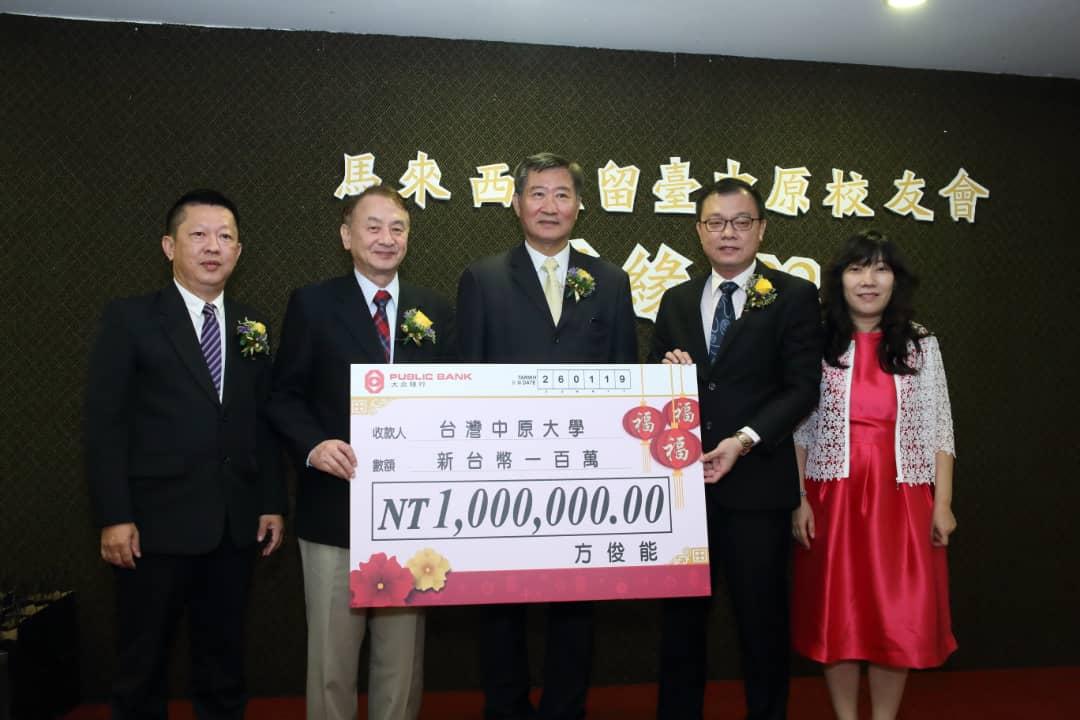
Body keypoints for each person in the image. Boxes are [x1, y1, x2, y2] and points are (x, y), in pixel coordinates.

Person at [85, 189, 286, 719]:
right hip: (153, 527)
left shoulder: (253, 325)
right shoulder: (131, 320)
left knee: (223, 666)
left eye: (225, 237)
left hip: (233, 524)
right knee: (142, 665)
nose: (212, 247)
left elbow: (261, 423)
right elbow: (105, 425)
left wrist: (270, 501)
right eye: (199, 235)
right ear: (170, 245)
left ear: (240, 251)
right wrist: (115, 516)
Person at [456, 152, 638, 720]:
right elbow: (466, 377)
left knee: (575, 606)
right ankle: (506, 708)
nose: (549, 206)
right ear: (516, 204)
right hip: (503, 470)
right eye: (538, 193)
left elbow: (624, 375)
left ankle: (566, 709)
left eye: (562, 194)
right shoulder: (482, 277)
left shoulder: (609, 281)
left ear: (580, 206)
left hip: (582, 473)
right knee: (501, 605)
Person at [267, 183, 455, 720]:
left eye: (397, 228)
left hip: (412, 517)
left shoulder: (433, 309)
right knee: (332, 658)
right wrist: (313, 446)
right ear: (347, 235)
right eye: (372, 227)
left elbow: (457, 400)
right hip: (334, 508)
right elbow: (283, 396)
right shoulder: (313, 303)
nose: (386, 238)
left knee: (402, 660)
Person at [649, 178, 823, 720]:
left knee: (762, 625)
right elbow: (654, 388)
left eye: (741, 222)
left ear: (762, 229)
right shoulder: (676, 300)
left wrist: (743, 439)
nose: (729, 233)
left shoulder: (793, 295)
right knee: (680, 628)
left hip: (758, 486)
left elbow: (802, 388)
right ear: (699, 231)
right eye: (716, 223)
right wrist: (663, 377)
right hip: (683, 495)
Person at [791, 230, 957, 720]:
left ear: (895, 280)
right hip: (831, 497)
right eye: (857, 268)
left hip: (903, 496)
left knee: (895, 616)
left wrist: (943, 503)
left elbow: (940, 427)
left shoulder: (920, 344)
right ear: (839, 279)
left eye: (880, 269)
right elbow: (800, 430)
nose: (869, 280)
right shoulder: (819, 343)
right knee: (837, 615)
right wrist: (799, 497)